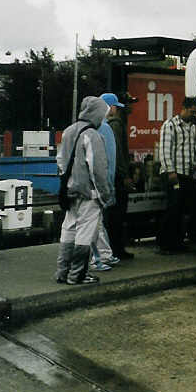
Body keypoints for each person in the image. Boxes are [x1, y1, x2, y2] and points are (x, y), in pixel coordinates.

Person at [55, 96, 112, 285]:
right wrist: (105, 195)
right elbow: (98, 170)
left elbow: (61, 162)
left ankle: (62, 271)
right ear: (96, 114)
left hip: (70, 191)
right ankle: (78, 274)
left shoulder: (68, 132)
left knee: (69, 229)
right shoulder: (93, 136)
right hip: (89, 193)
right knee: (85, 233)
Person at [157, 96, 196, 253]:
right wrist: (171, 171)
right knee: (173, 208)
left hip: (187, 173)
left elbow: (192, 149)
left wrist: (195, 166)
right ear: (184, 108)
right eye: (192, 111)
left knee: (184, 208)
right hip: (174, 173)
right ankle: (165, 243)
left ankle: (178, 241)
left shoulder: (191, 127)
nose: (194, 115)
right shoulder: (170, 125)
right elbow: (165, 150)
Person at [103, 92, 135, 259]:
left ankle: (114, 248)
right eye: (128, 104)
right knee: (118, 214)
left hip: (111, 175)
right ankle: (117, 249)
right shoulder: (115, 124)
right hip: (117, 176)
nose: (130, 107)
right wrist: (125, 175)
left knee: (113, 215)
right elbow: (117, 153)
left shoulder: (106, 124)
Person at [89, 107, 119, 272]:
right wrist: (108, 185)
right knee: (96, 222)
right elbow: (108, 160)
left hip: (90, 184)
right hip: (99, 184)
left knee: (95, 222)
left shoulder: (88, 129)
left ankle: (104, 255)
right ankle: (101, 257)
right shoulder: (105, 128)